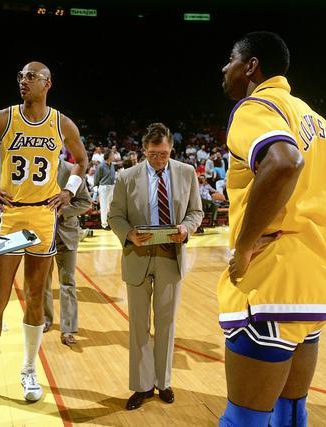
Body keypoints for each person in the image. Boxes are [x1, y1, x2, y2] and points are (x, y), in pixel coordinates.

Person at [216, 32, 326, 426]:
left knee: (243, 420)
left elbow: (284, 161)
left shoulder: (254, 107)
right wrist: (323, 231)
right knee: (291, 415)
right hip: (314, 283)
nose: (225, 68)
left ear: (251, 66)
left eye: (231, 59)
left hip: (270, 283)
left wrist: (244, 246)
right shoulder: (311, 116)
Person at [0, 61, 88, 413]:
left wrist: (69, 190)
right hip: (12, 214)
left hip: (45, 217)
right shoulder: (3, 118)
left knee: (35, 299)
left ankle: (29, 370)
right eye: (20, 76)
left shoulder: (62, 123)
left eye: (31, 76)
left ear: (47, 84)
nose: (23, 81)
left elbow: (81, 160)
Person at [108, 123, 203, 411]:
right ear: (143, 150)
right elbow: (115, 216)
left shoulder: (187, 172)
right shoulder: (126, 176)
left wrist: (186, 229)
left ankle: (163, 382)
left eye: (163, 154)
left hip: (170, 257)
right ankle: (142, 386)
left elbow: (196, 211)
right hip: (137, 255)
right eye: (152, 154)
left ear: (171, 149)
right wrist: (129, 234)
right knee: (139, 325)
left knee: (166, 324)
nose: (158, 160)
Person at [43, 160, 91, 345]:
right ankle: (45, 319)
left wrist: (63, 210)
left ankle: (68, 329)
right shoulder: (33, 167)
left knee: (68, 282)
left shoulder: (72, 170)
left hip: (67, 233)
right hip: (41, 233)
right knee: (42, 280)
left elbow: (85, 202)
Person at [94, 148, 116, 229]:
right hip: (104, 187)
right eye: (112, 155)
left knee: (111, 206)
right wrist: (96, 188)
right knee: (104, 206)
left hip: (112, 186)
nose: (113, 156)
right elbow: (96, 178)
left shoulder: (112, 165)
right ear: (108, 156)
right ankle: (104, 224)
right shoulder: (101, 166)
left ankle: (110, 222)